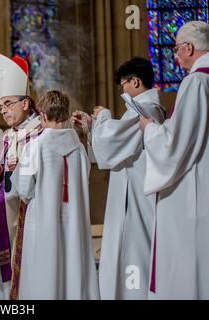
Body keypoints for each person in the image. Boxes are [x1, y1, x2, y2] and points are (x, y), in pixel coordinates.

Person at [72, 57, 165, 299]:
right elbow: (113, 146)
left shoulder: (146, 110)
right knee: (129, 251)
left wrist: (103, 116)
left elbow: (112, 143)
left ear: (135, 81)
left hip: (136, 195)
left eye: (123, 83)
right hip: (129, 192)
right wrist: (93, 125)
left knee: (135, 251)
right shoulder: (139, 111)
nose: (122, 89)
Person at [139, 21, 209, 299]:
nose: (176, 57)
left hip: (194, 191)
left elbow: (175, 145)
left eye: (177, 50)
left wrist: (150, 130)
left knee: (191, 265)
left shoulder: (196, 82)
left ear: (189, 48)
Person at [9, 90, 99, 300]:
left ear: (42, 116)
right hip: (74, 223)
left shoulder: (35, 147)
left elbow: (24, 190)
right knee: (73, 269)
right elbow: (83, 181)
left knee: (44, 272)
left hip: (42, 223)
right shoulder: (79, 150)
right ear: (67, 116)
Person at [0, 54, 43, 299]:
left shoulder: (42, 131)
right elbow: (5, 174)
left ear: (26, 103)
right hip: (5, 215)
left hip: (30, 214)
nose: (3, 111)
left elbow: (49, 173)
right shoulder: (9, 135)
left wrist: (22, 167)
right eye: (1, 106)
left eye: (8, 104)